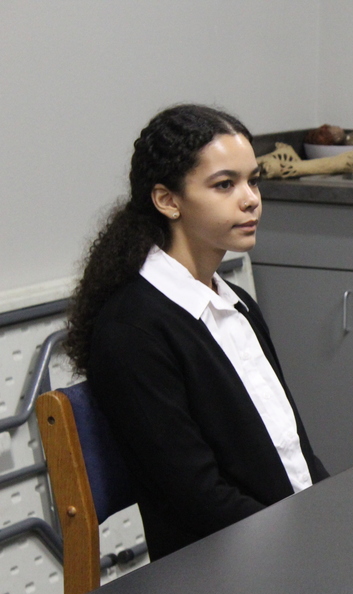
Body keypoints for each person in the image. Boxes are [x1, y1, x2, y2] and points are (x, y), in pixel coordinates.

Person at [64, 104, 330, 560]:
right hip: (218, 573)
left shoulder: (234, 302)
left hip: (284, 542)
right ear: (167, 200)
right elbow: (198, 499)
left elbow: (293, 452)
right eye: (225, 185)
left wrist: (337, 512)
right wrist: (309, 545)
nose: (250, 199)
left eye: (253, 180)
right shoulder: (133, 331)